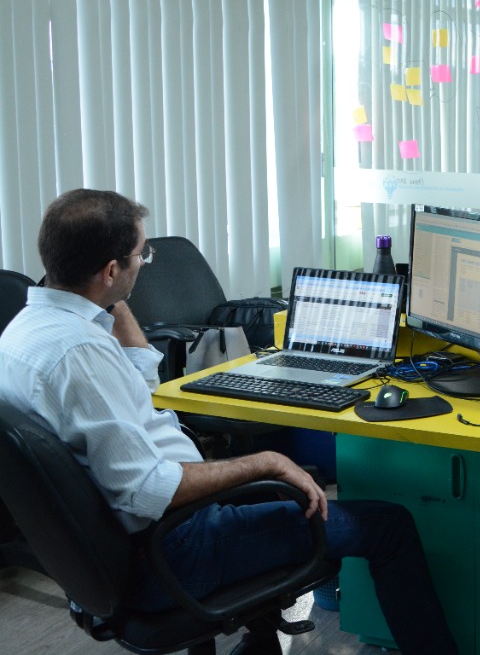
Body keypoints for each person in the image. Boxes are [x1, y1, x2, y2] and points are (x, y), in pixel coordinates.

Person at [0, 190, 456, 655]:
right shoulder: (80, 354)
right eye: (142, 256)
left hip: (119, 551)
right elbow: (147, 491)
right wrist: (267, 462)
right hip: (175, 552)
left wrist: (111, 302)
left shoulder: (24, 331)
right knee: (389, 526)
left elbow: (135, 388)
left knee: (275, 487)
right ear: (111, 270)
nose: (145, 264)